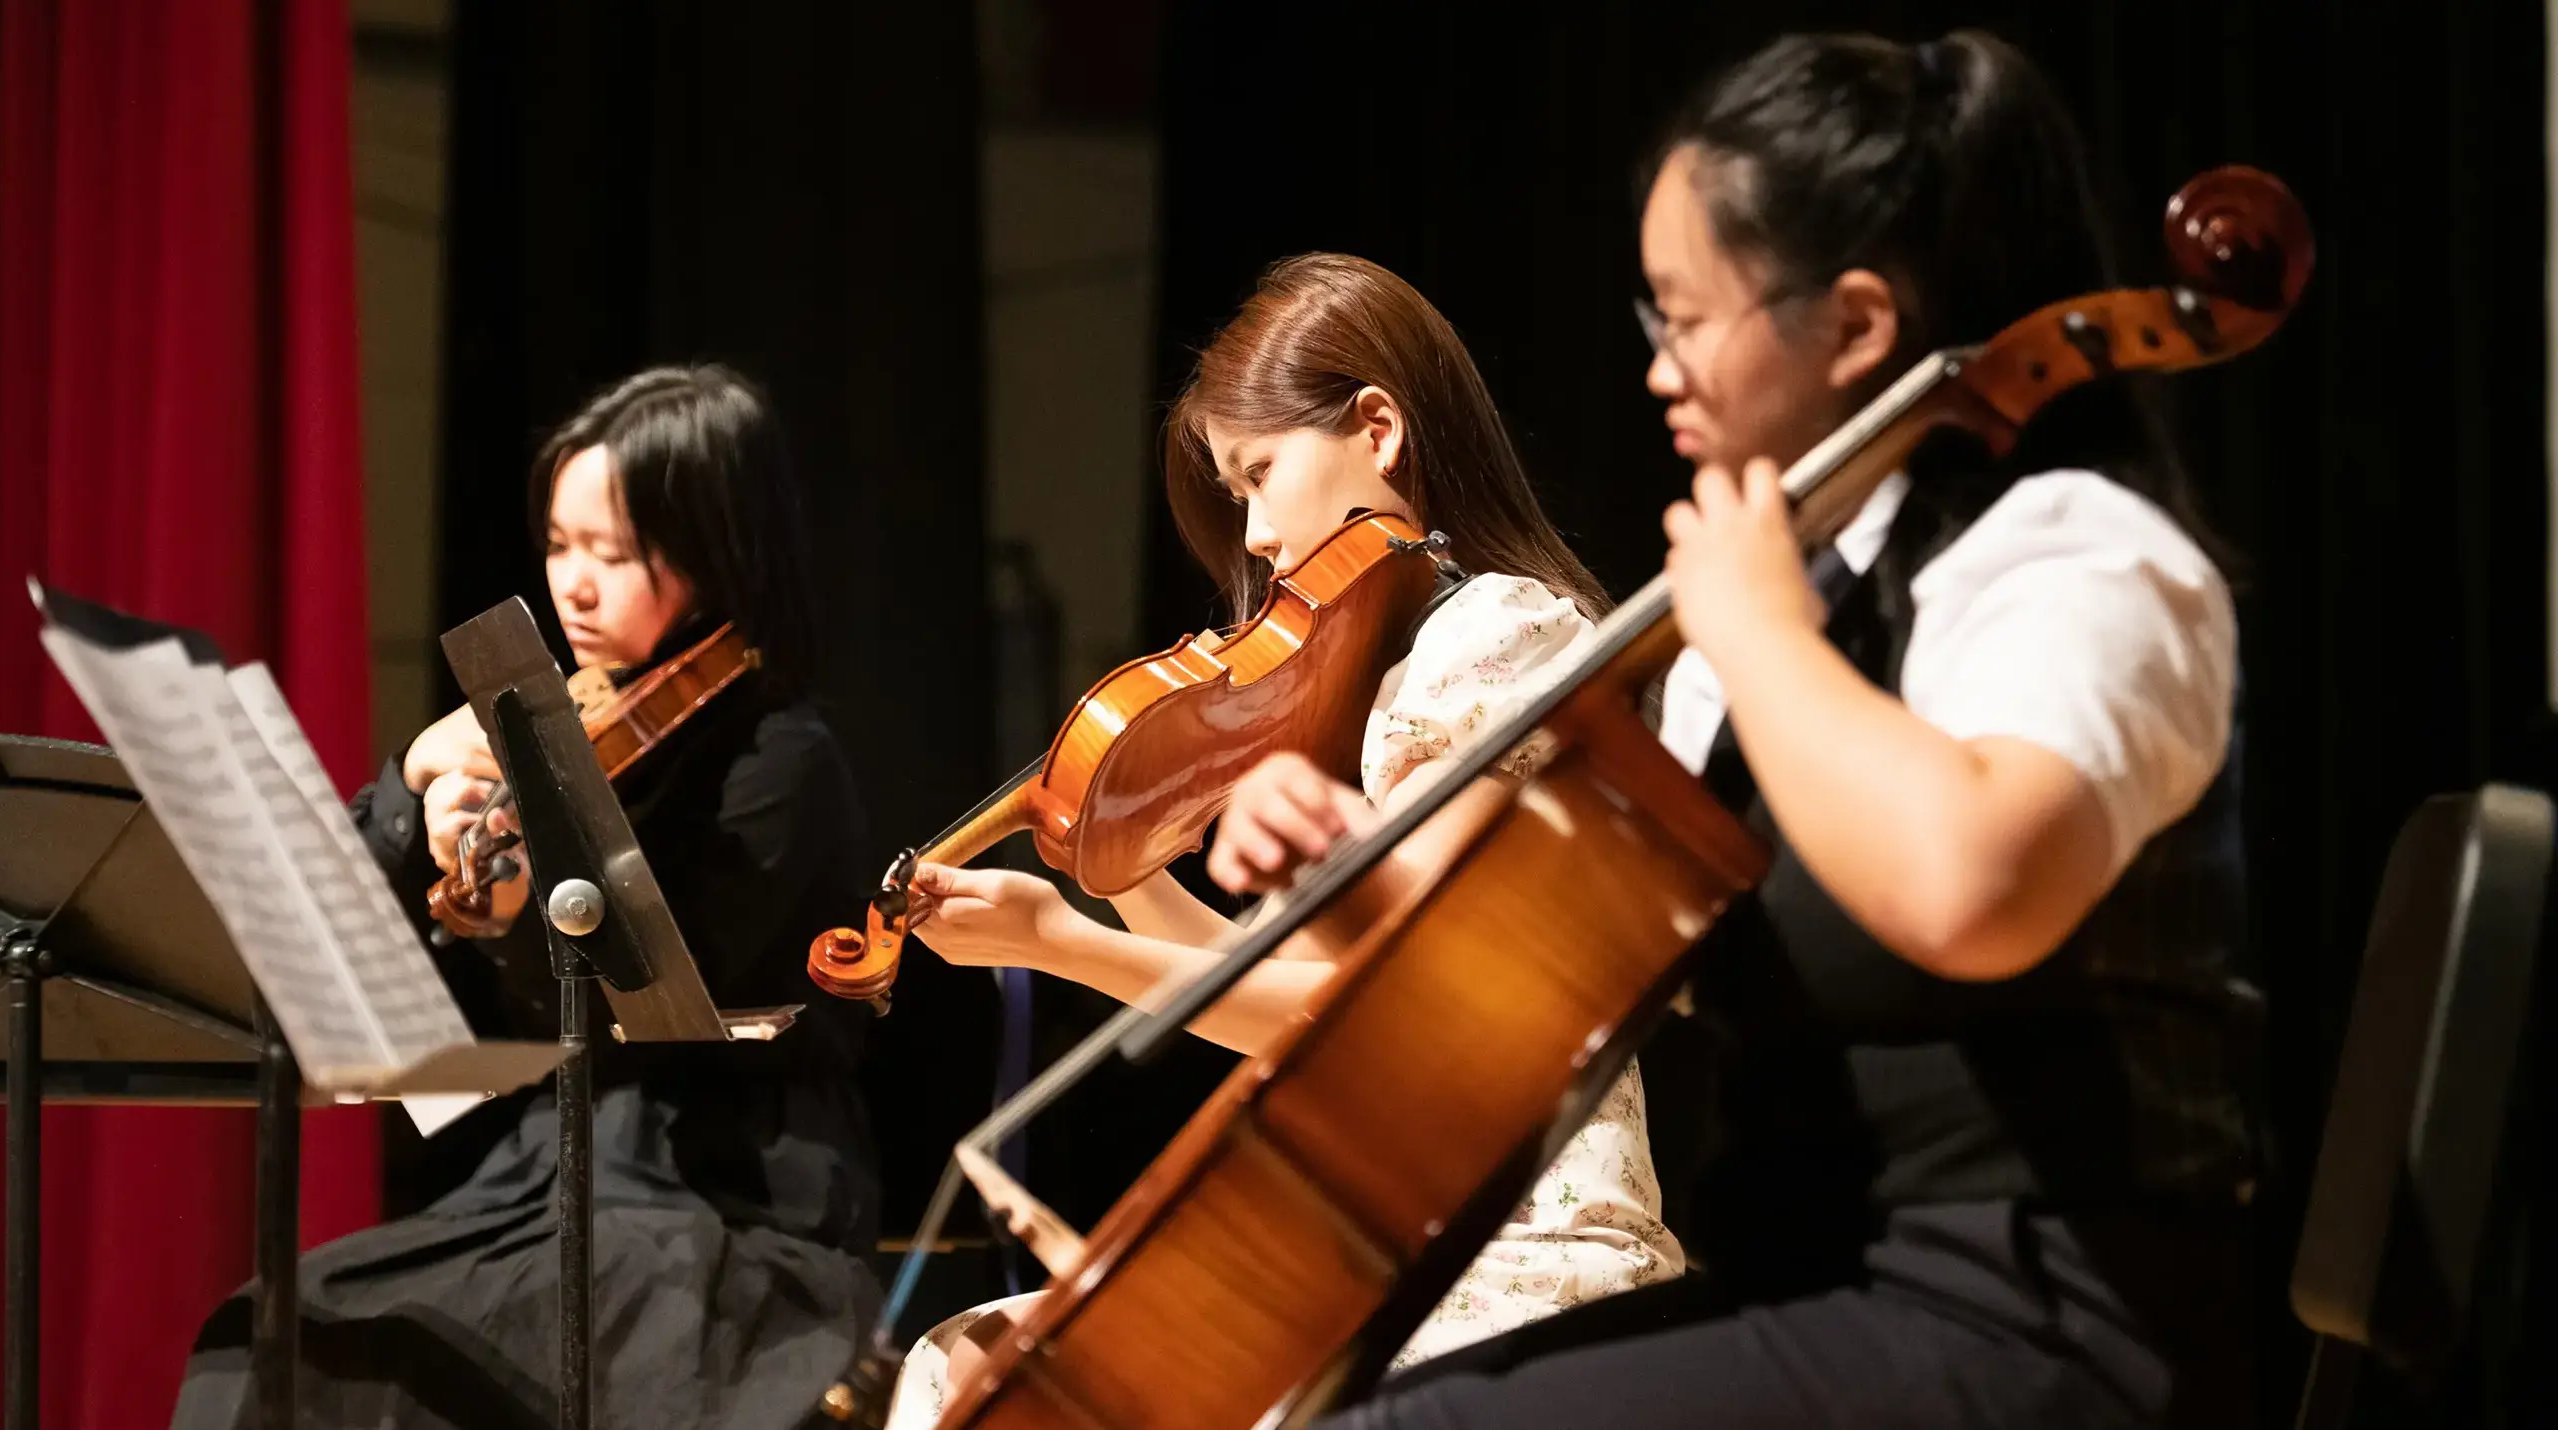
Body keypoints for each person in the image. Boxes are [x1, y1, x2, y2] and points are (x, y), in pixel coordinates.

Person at [1216, 31, 2262, 1430]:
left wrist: (1762, 629)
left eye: (1684, 319)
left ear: (1858, 326)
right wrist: (1363, 873)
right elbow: (1601, 965)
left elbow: (1974, 891)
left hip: (2050, 1321)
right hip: (1811, 1277)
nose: (1658, 369)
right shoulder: (1770, 606)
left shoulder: (2075, 561)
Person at [881, 254, 1684, 1429]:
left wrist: (1063, 939)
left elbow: (1367, 1006)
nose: (1252, 535)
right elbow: (1286, 992)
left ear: (1378, 427)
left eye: (1259, 475)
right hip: (1386, 1236)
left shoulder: (1502, 627)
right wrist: (1132, 880)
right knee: (970, 1362)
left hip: (1513, 1239)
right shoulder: (1411, 663)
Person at [173, 365, 884, 1430]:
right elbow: (383, 971)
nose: (574, 587)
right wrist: (414, 788)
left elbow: (649, 1006)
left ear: (719, 548)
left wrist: (515, 914)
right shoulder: (568, 734)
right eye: (559, 545)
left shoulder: (780, 760)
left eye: (614, 552)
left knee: (408, 1368)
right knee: (262, 1342)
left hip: (726, 1205)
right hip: (547, 1184)